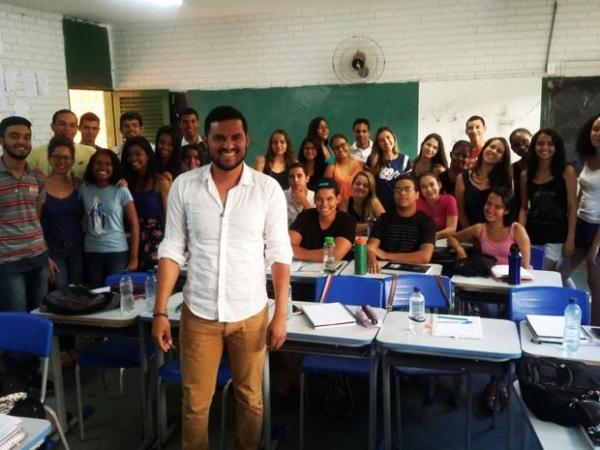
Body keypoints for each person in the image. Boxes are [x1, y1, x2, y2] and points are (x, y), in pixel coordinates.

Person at [152, 105, 292, 450]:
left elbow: (279, 255)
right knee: (195, 405)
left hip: (251, 314)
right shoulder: (185, 186)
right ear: (206, 141)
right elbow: (171, 249)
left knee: (250, 400)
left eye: (235, 137)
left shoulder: (267, 189)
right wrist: (159, 313)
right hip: (199, 314)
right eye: (219, 138)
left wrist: (281, 315)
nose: (227, 145)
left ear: (246, 140)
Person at [0, 116, 48, 312]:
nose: (22, 142)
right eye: (15, 136)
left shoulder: (36, 175)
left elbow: (36, 215)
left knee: (40, 316)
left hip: (39, 257)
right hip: (8, 263)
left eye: (27, 137)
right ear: (2, 140)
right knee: (17, 321)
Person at [559, 113, 600, 325]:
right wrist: (572, 228)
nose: (597, 133)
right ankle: (575, 315)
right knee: (560, 275)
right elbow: (581, 191)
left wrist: (595, 246)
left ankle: (596, 334)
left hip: (598, 229)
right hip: (583, 223)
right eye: (595, 128)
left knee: (595, 283)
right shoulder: (588, 157)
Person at [518, 129, 577, 272]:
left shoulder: (566, 171)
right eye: (540, 143)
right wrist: (519, 234)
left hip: (557, 236)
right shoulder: (526, 174)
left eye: (550, 144)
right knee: (531, 272)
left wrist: (570, 239)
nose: (545, 148)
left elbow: (572, 207)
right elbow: (524, 207)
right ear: (534, 146)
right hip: (532, 234)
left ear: (556, 147)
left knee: (544, 272)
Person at [79, 149, 140, 288]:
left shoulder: (121, 189)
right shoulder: (83, 189)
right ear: (91, 166)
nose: (102, 167)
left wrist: (134, 257)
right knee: (96, 295)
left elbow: (135, 224)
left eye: (108, 164)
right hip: (92, 251)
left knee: (115, 294)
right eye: (98, 163)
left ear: (114, 167)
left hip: (117, 251)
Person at [121, 136, 171, 271]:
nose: (133, 158)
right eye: (130, 155)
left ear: (148, 155)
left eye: (138, 154)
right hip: (134, 240)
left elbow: (170, 217)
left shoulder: (160, 181)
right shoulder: (127, 183)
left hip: (156, 240)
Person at [367, 175, 435, 272]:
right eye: (398, 190)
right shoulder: (384, 218)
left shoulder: (426, 221)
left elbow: (424, 257)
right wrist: (372, 259)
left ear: (417, 194)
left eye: (407, 189)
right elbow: (371, 247)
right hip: (383, 270)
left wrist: (386, 255)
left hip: (413, 271)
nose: (402, 193)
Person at [41, 136, 84, 289]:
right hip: (53, 251)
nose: (61, 161)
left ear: (72, 161)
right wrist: (45, 256)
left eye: (66, 157)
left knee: (77, 293)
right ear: (49, 158)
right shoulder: (41, 185)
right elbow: (35, 222)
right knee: (60, 293)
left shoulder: (78, 184)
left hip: (77, 249)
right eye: (57, 157)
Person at [449, 187, 530, 265]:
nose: (490, 209)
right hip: (487, 277)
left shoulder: (517, 229)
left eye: (497, 207)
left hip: (514, 276)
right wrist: (460, 250)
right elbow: (452, 238)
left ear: (506, 210)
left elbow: (525, 265)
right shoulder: (479, 229)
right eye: (488, 203)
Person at [289, 178, 356, 261]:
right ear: (314, 200)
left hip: (335, 272)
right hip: (304, 272)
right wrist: (326, 254)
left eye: (329, 199)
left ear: (338, 199)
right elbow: (286, 247)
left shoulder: (347, 221)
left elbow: (335, 255)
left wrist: (300, 253)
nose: (324, 204)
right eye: (319, 199)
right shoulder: (305, 216)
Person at [455, 137, 512, 229]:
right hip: (466, 233)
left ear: (502, 159)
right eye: (492, 147)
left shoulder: (505, 181)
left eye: (499, 151)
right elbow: (461, 212)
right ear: (484, 149)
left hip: (493, 234)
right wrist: (472, 235)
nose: (493, 151)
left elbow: (505, 213)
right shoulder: (462, 177)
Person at [27, 109, 96, 178]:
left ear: (77, 128)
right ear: (52, 126)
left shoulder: (90, 153)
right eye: (62, 124)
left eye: (72, 125)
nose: (67, 129)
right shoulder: (36, 153)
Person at [367, 126, 412, 212]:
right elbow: (368, 184)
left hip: (399, 206)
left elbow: (408, 186)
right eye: (381, 140)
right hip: (378, 207)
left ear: (394, 138)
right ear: (378, 144)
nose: (386, 142)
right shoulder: (371, 160)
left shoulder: (405, 159)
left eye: (388, 137)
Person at [339, 170, 385, 236]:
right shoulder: (344, 202)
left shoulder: (374, 202)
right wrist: (371, 226)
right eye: (358, 184)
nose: (361, 187)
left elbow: (385, 224)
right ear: (352, 185)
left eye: (365, 186)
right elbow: (343, 228)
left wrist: (355, 228)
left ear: (370, 189)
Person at [417, 172, 458, 239]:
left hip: (446, 241)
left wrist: (431, 236)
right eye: (424, 187)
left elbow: (452, 229)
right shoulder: (417, 203)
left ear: (439, 185)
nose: (429, 189)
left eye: (432, 185)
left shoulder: (449, 199)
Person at [323, 133, 363, 201]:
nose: (340, 149)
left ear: (348, 145)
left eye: (343, 145)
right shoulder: (332, 168)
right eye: (336, 148)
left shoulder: (361, 165)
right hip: (340, 208)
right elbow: (325, 191)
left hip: (361, 206)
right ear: (332, 151)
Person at [509, 128, 532, 208]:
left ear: (532, 140)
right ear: (512, 149)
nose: (522, 147)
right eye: (517, 145)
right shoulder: (512, 169)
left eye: (525, 141)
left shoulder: (544, 165)